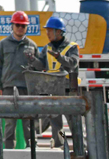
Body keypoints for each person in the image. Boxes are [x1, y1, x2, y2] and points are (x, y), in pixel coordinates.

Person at [27, 16, 79, 148]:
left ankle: (80, 146)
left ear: (59, 32)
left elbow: (73, 64)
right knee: (56, 123)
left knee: (73, 120)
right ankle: (59, 144)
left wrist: (59, 57)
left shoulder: (72, 47)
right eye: (47, 30)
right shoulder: (47, 48)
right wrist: (32, 60)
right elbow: (42, 66)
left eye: (50, 30)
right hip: (53, 90)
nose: (47, 33)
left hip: (68, 90)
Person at [0, 10, 38, 149]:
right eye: (17, 25)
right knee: (9, 123)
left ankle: (32, 150)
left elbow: (38, 68)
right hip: (8, 88)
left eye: (23, 26)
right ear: (12, 25)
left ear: (26, 27)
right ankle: (8, 151)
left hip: (27, 88)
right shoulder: (3, 44)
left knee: (28, 122)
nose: (20, 28)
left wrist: (36, 89)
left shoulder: (32, 46)